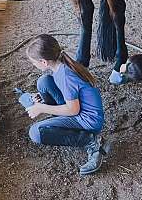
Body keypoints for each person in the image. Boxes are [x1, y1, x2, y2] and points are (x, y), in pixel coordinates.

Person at [25, 34, 109, 175]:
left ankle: (93, 143)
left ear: (44, 62)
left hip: (88, 121)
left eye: (34, 63)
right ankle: (58, 123)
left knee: (35, 133)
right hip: (80, 111)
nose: (34, 65)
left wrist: (42, 108)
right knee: (44, 82)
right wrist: (42, 99)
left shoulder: (66, 76)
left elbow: (73, 109)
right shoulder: (61, 65)